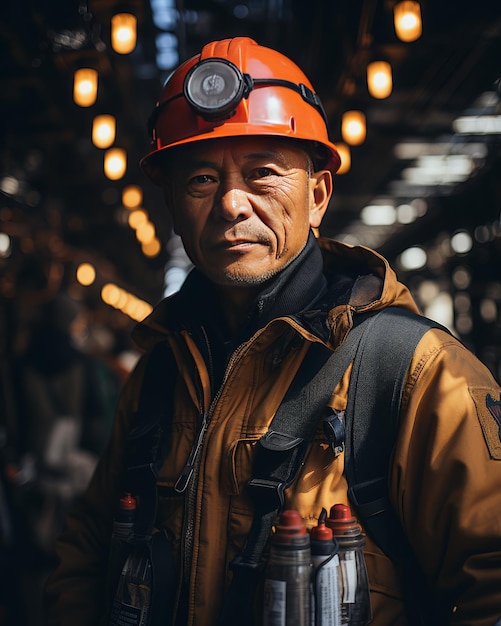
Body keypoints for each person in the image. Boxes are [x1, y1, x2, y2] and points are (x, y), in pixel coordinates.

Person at [44, 37, 501, 626]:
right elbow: (87, 552)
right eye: (201, 180)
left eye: (263, 173)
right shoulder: (159, 373)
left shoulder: (416, 373)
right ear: (174, 209)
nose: (233, 203)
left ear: (317, 196)